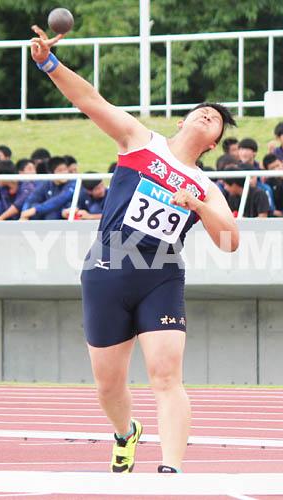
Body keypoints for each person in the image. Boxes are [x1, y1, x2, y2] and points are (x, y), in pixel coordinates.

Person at [30, 25, 239, 473]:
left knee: (166, 376)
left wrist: (198, 205)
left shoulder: (206, 186)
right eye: (201, 111)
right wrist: (49, 63)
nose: (207, 116)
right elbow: (90, 101)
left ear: (216, 143)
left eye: (216, 119)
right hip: (108, 266)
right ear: (182, 121)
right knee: (108, 386)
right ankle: (126, 433)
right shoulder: (141, 141)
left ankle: (171, 470)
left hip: (161, 274)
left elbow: (230, 241)